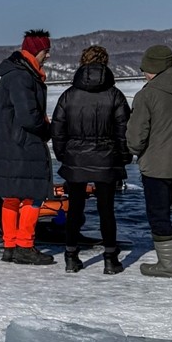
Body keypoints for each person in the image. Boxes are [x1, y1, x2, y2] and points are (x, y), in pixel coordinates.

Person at [50, 45, 131, 275]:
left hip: (75, 157)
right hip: (107, 158)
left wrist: (63, 155)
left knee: (75, 208)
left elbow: (58, 129)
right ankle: (110, 258)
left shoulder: (69, 95)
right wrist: (124, 157)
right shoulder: (115, 95)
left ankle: (71, 256)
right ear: (105, 63)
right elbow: (123, 130)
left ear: (82, 62)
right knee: (107, 210)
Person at [0, 30, 55, 265]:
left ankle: (10, 245)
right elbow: (28, 116)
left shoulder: (16, 73)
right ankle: (24, 245)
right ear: (35, 51)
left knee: (11, 196)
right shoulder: (22, 76)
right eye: (45, 51)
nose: (48, 56)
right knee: (34, 195)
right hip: (21, 146)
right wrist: (47, 129)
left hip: (9, 145)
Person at [126, 44, 172, 279]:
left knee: (158, 214)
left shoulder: (146, 94)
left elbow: (136, 136)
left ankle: (169, 265)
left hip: (156, 165)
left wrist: (134, 150)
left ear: (151, 68)